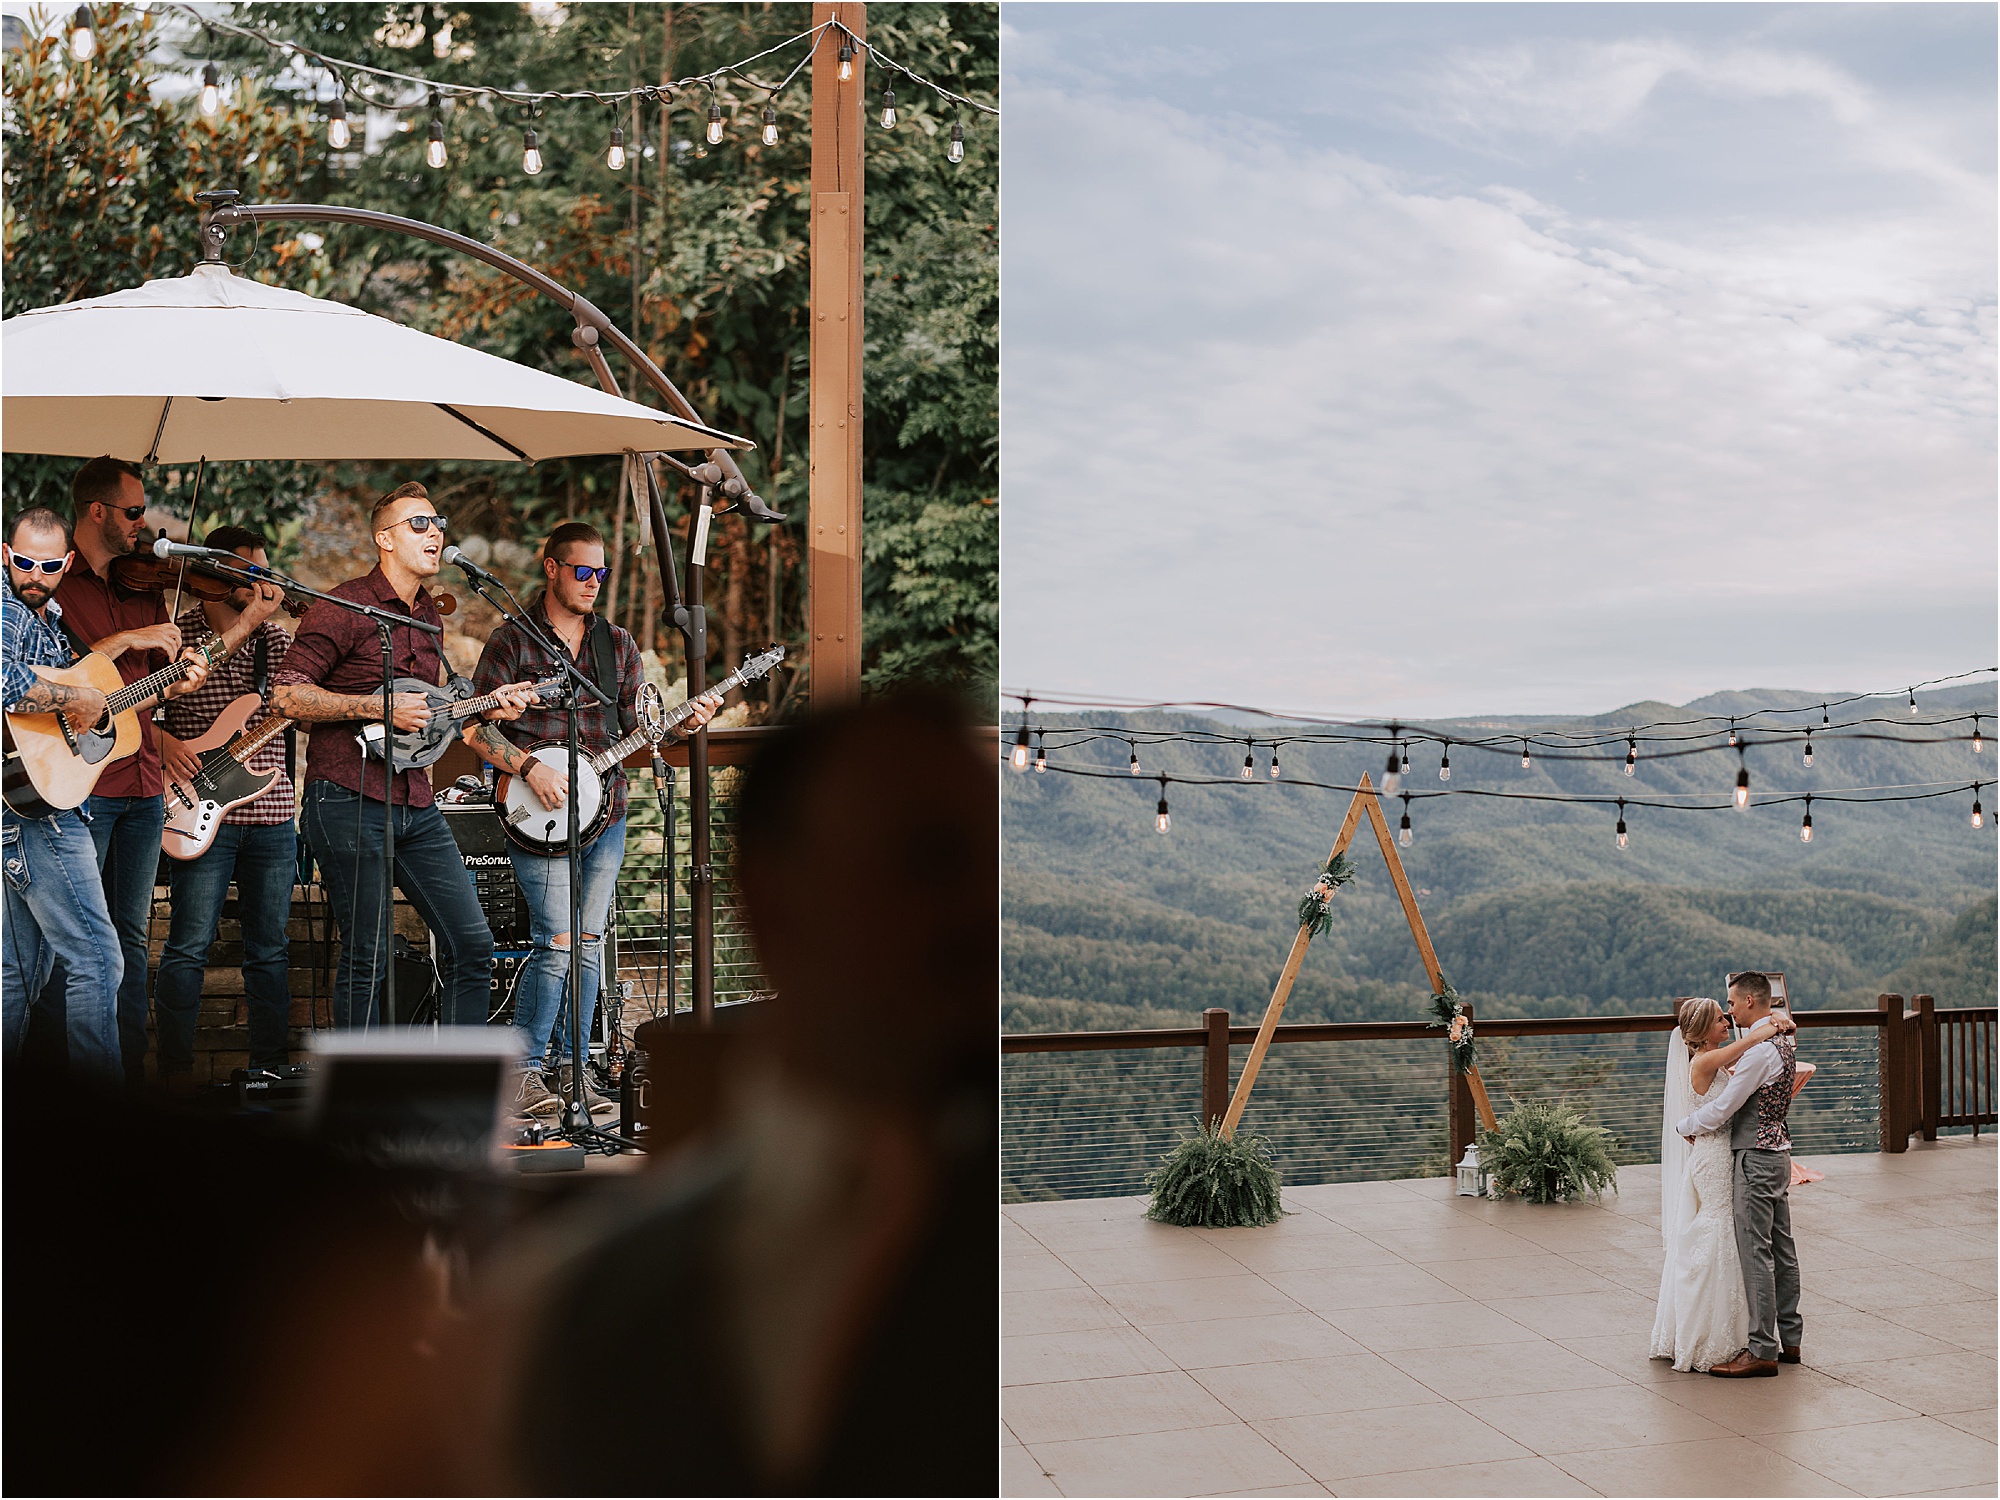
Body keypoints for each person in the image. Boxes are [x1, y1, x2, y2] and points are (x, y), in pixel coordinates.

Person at [467, 520, 721, 1119]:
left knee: (586, 945)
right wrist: (528, 768)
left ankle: (574, 1067)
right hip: (538, 815)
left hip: (604, 813)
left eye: (601, 573)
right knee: (554, 944)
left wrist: (681, 724)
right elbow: (474, 726)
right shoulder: (511, 642)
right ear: (552, 568)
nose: (594, 583)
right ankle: (524, 1072)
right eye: (583, 571)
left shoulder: (617, 644)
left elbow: (639, 726)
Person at [272, 482, 539, 1032]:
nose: (435, 531)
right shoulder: (343, 606)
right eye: (419, 523)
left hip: (414, 801)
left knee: (472, 944)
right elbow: (286, 693)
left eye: (438, 522)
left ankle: (458, 1092)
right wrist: (375, 706)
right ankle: (355, 1104)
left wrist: (489, 708)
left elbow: (431, 715)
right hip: (346, 798)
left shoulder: (429, 617)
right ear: (384, 539)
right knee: (367, 956)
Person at [33, 457, 212, 1086]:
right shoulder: (50, 583)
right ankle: (62, 1085)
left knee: (130, 937)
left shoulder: (145, 588)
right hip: (78, 783)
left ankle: (128, 1084)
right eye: (134, 512)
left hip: (140, 780)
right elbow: (56, 682)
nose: (144, 524)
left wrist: (177, 679)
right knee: (75, 945)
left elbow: (137, 698)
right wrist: (130, 646)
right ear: (98, 511)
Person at [154, 527, 296, 1088]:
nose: (261, 584)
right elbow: (138, 715)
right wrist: (163, 745)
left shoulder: (278, 642)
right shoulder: (176, 639)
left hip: (272, 818)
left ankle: (268, 1073)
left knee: (270, 951)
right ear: (215, 577)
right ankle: (173, 1076)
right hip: (195, 812)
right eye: (249, 574)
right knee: (188, 946)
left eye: (265, 572)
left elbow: (302, 704)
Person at [2, 507, 125, 1079]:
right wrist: (70, 701)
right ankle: (105, 1126)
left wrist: (172, 678)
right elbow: (5, 681)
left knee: (18, 969)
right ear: (5, 554)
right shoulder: (6, 609)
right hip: (39, 814)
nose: (34, 575)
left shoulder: (50, 621)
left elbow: (93, 710)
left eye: (48, 566)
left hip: (27, 801)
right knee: (98, 961)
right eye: (23, 562)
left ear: (66, 563)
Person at [1649, 995, 1795, 1372]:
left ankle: (1742, 1331)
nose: (1727, 1021)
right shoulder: (1705, 1060)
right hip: (1714, 1154)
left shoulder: (1715, 1058)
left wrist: (1775, 1020)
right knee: (1721, 1229)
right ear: (1701, 1031)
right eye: (1719, 1019)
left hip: (1728, 1150)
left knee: (1736, 1235)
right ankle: (1720, 1332)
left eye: (1727, 1013)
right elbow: (1744, 1047)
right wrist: (1769, 1026)